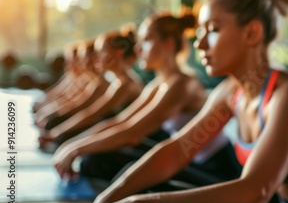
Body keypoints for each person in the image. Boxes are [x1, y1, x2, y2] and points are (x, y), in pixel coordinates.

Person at [86, 0, 288, 203]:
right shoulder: (229, 92)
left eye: (213, 29)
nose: (199, 44)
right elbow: (176, 151)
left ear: (251, 33)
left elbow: (252, 196)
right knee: (148, 186)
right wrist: (108, 198)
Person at [53, 12, 239, 186]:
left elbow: (132, 133)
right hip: (189, 160)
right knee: (97, 158)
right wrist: (71, 146)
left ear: (168, 44)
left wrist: (75, 149)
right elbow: (121, 121)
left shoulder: (182, 85)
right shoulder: (159, 83)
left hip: (215, 169)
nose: (138, 49)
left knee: (103, 162)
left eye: (147, 41)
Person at [39, 25, 144, 146]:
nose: (96, 58)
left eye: (101, 52)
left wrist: (57, 135)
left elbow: (91, 113)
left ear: (118, 53)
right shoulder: (120, 82)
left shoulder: (125, 84)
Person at [34, 39, 111, 130]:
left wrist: (56, 130)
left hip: (91, 123)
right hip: (80, 119)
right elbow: (61, 95)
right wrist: (43, 108)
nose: (80, 62)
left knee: (52, 124)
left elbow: (79, 106)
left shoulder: (98, 83)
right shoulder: (86, 79)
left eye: (82, 58)